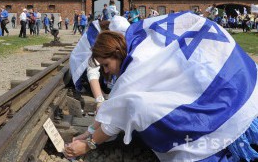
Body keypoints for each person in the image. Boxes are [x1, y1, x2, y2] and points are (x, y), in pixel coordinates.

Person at [65, 12, 258, 161]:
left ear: (116, 53)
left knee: (138, 105)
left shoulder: (136, 65)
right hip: (232, 77)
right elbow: (112, 108)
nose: (106, 72)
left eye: (106, 65)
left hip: (218, 85)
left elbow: (116, 115)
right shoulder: (140, 40)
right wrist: (87, 133)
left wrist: (88, 145)